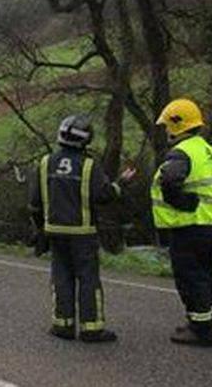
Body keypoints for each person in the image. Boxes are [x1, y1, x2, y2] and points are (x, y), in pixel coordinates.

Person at [28, 115, 134, 342]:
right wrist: (122, 183)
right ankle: (91, 328)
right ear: (86, 140)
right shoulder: (89, 166)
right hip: (83, 235)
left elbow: (34, 203)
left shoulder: (45, 163)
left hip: (54, 232)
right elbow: (104, 195)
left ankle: (62, 325)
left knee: (61, 277)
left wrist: (39, 231)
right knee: (88, 279)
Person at [151, 98, 212, 347]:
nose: (165, 131)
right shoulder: (210, 151)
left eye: (167, 126)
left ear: (177, 125)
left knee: (189, 277)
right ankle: (201, 321)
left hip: (190, 226)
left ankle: (201, 330)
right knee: (204, 276)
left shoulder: (182, 152)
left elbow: (170, 180)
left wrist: (181, 202)